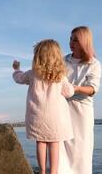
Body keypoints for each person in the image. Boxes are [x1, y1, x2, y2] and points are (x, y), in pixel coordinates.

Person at [12, 39, 75, 174]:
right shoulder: (60, 76)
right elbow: (69, 92)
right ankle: (53, 172)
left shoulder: (32, 73)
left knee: (41, 143)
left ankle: (42, 171)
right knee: (54, 144)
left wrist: (16, 69)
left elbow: (19, 78)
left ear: (38, 56)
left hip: (37, 116)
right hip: (56, 118)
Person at [58, 26, 102, 174]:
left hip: (82, 112)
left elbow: (92, 89)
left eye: (76, 40)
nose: (71, 42)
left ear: (84, 41)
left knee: (81, 150)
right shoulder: (62, 61)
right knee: (60, 149)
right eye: (70, 39)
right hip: (62, 109)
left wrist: (75, 88)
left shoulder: (94, 64)